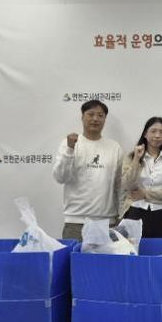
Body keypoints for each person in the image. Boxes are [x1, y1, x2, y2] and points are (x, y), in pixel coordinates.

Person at [52, 100, 124, 240]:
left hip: (107, 222)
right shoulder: (69, 144)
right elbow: (60, 177)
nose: (95, 119)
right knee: (75, 255)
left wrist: (121, 215)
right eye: (90, 114)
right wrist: (70, 149)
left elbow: (120, 186)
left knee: (109, 256)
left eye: (100, 115)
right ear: (82, 117)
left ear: (105, 119)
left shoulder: (115, 147)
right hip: (76, 223)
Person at [119, 117, 162, 238]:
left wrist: (145, 194)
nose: (157, 135)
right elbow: (126, 185)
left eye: (161, 132)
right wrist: (136, 159)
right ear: (145, 134)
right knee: (133, 248)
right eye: (153, 131)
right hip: (135, 211)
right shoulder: (131, 157)